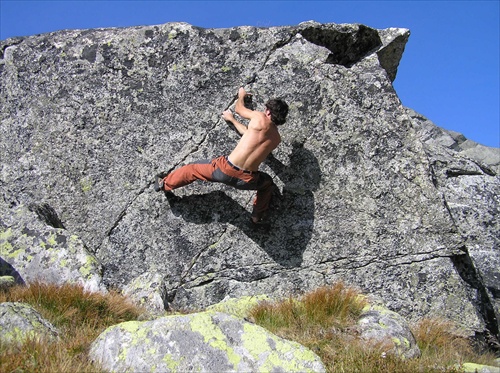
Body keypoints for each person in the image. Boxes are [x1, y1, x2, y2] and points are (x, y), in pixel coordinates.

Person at [154, 87, 289, 227]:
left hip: (225, 169)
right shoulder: (276, 139)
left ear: (268, 111)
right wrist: (232, 120)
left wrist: (241, 96)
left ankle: (164, 184)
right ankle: (256, 218)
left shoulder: (259, 117)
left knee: (193, 169)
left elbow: (239, 109)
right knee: (266, 184)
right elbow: (250, 134)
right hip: (247, 180)